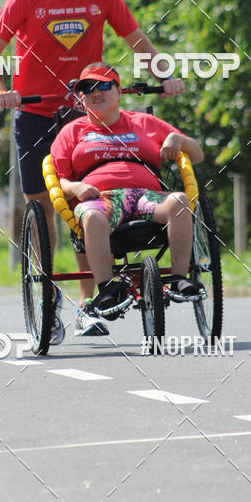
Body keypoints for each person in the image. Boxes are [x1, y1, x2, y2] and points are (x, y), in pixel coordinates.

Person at [0, 0, 183, 340]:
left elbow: (139, 44)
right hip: (34, 114)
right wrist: (0, 90)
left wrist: (165, 76)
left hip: (84, 112)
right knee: (44, 211)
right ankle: (49, 304)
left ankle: (91, 304)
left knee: (88, 202)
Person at [50, 63, 204, 314]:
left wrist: (177, 139)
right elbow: (60, 181)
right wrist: (76, 188)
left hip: (145, 195)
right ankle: (108, 289)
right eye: (87, 89)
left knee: (179, 201)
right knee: (93, 217)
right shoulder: (71, 132)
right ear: (82, 98)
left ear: (119, 92)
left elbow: (197, 154)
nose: (95, 92)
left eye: (103, 85)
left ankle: (179, 279)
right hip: (100, 198)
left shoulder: (145, 122)